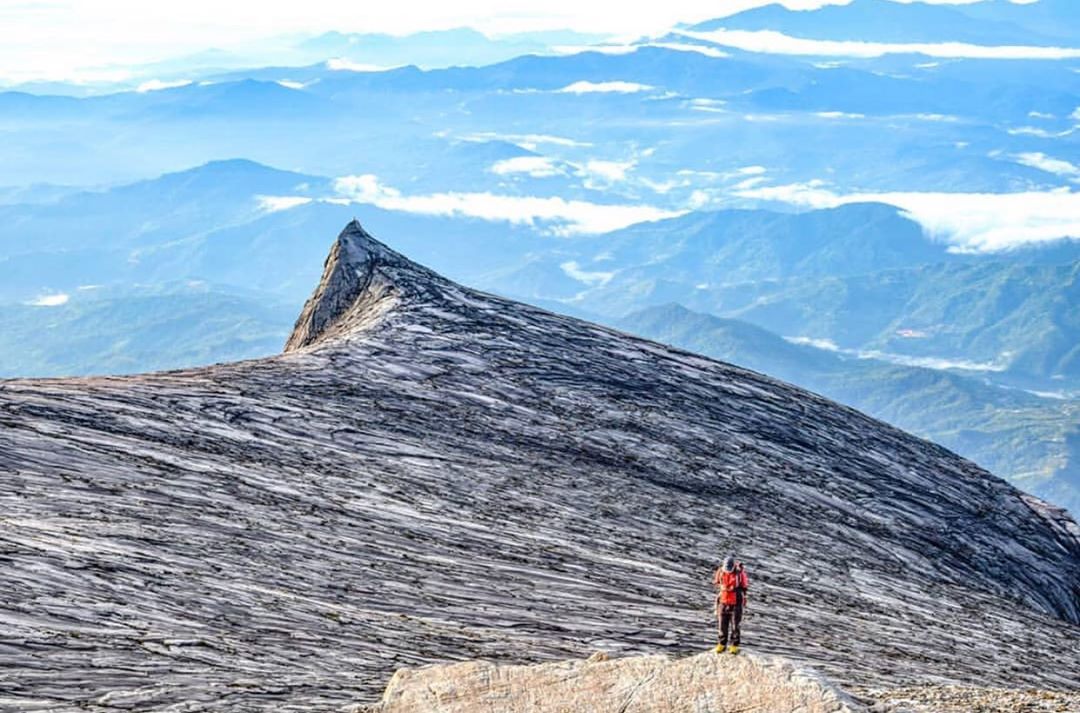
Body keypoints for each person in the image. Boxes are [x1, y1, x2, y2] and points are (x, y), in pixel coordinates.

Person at [713, 554, 749, 654]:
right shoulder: (720, 572)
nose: (728, 570)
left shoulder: (739, 574)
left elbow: (745, 586)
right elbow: (716, 582)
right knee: (722, 624)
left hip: (736, 601)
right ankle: (722, 643)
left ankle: (734, 645)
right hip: (723, 601)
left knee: (735, 625)